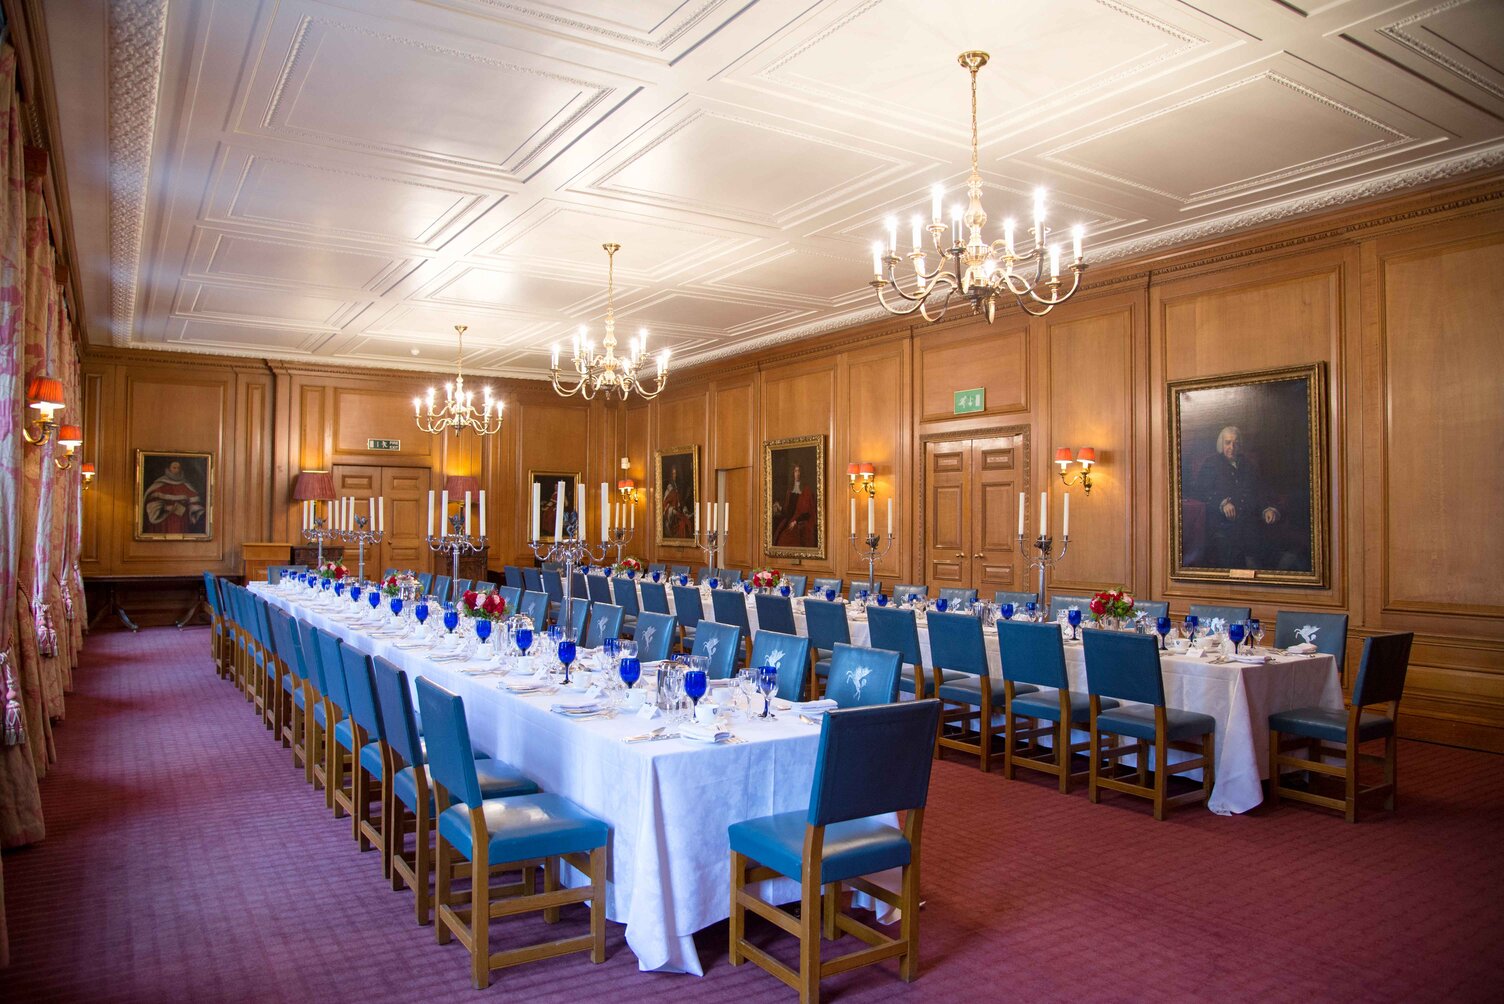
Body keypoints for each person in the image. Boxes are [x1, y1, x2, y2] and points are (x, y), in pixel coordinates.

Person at [1193, 426, 1280, 569]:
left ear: (1240, 445)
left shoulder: (1248, 464)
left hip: (1249, 521)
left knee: (1265, 557)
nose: (1232, 447)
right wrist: (1221, 504)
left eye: (1236, 443)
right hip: (1223, 524)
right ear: (1221, 444)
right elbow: (1199, 492)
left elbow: (1258, 491)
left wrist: (1266, 509)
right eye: (1228, 443)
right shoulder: (1211, 464)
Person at [142, 460, 205, 535]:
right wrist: (166, 507)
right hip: (164, 521)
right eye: (174, 468)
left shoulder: (186, 485)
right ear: (168, 469)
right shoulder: (159, 484)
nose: (176, 470)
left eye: (178, 468)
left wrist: (190, 509)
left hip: (181, 521)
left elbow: (194, 503)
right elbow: (152, 503)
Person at [771, 461, 817, 548]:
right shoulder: (790, 490)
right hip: (790, 519)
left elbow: (807, 513)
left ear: (801, 473)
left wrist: (795, 521)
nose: (797, 473)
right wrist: (778, 507)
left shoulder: (806, 490)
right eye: (795, 471)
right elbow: (788, 510)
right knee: (779, 537)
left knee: (787, 538)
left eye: (799, 471)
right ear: (793, 473)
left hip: (801, 521)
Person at [661, 464, 693, 539]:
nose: (675, 475)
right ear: (671, 475)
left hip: (678, 513)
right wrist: (673, 511)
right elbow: (665, 505)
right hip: (673, 516)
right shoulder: (669, 488)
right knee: (683, 524)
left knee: (688, 522)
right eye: (673, 473)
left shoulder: (676, 487)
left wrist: (685, 510)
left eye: (675, 473)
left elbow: (681, 501)